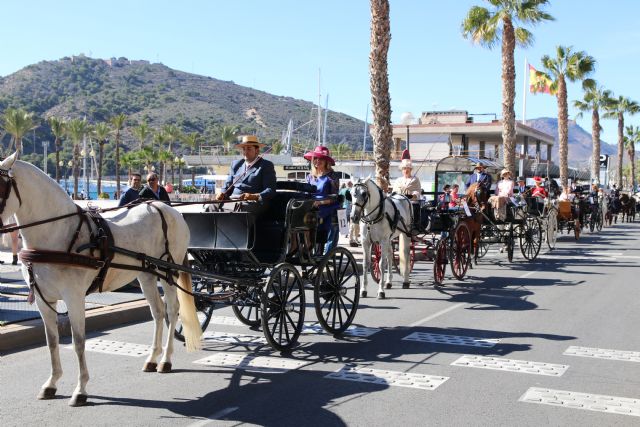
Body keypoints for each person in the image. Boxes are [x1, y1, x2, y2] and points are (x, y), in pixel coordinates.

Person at [215, 135, 276, 216]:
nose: (245, 152)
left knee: (239, 209)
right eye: (244, 149)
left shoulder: (266, 165)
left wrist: (254, 196)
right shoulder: (236, 164)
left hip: (253, 203)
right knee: (212, 207)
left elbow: (270, 190)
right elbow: (227, 185)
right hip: (232, 200)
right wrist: (222, 193)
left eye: (249, 149)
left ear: (257, 151)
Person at [304, 145, 340, 254]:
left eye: (320, 159)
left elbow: (334, 197)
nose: (317, 161)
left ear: (326, 162)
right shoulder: (310, 176)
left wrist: (320, 202)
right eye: (315, 158)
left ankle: (312, 245)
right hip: (312, 206)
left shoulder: (332, 177)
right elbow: (306, 193)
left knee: (311, 216)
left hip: (327, 207)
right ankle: (304, 244)